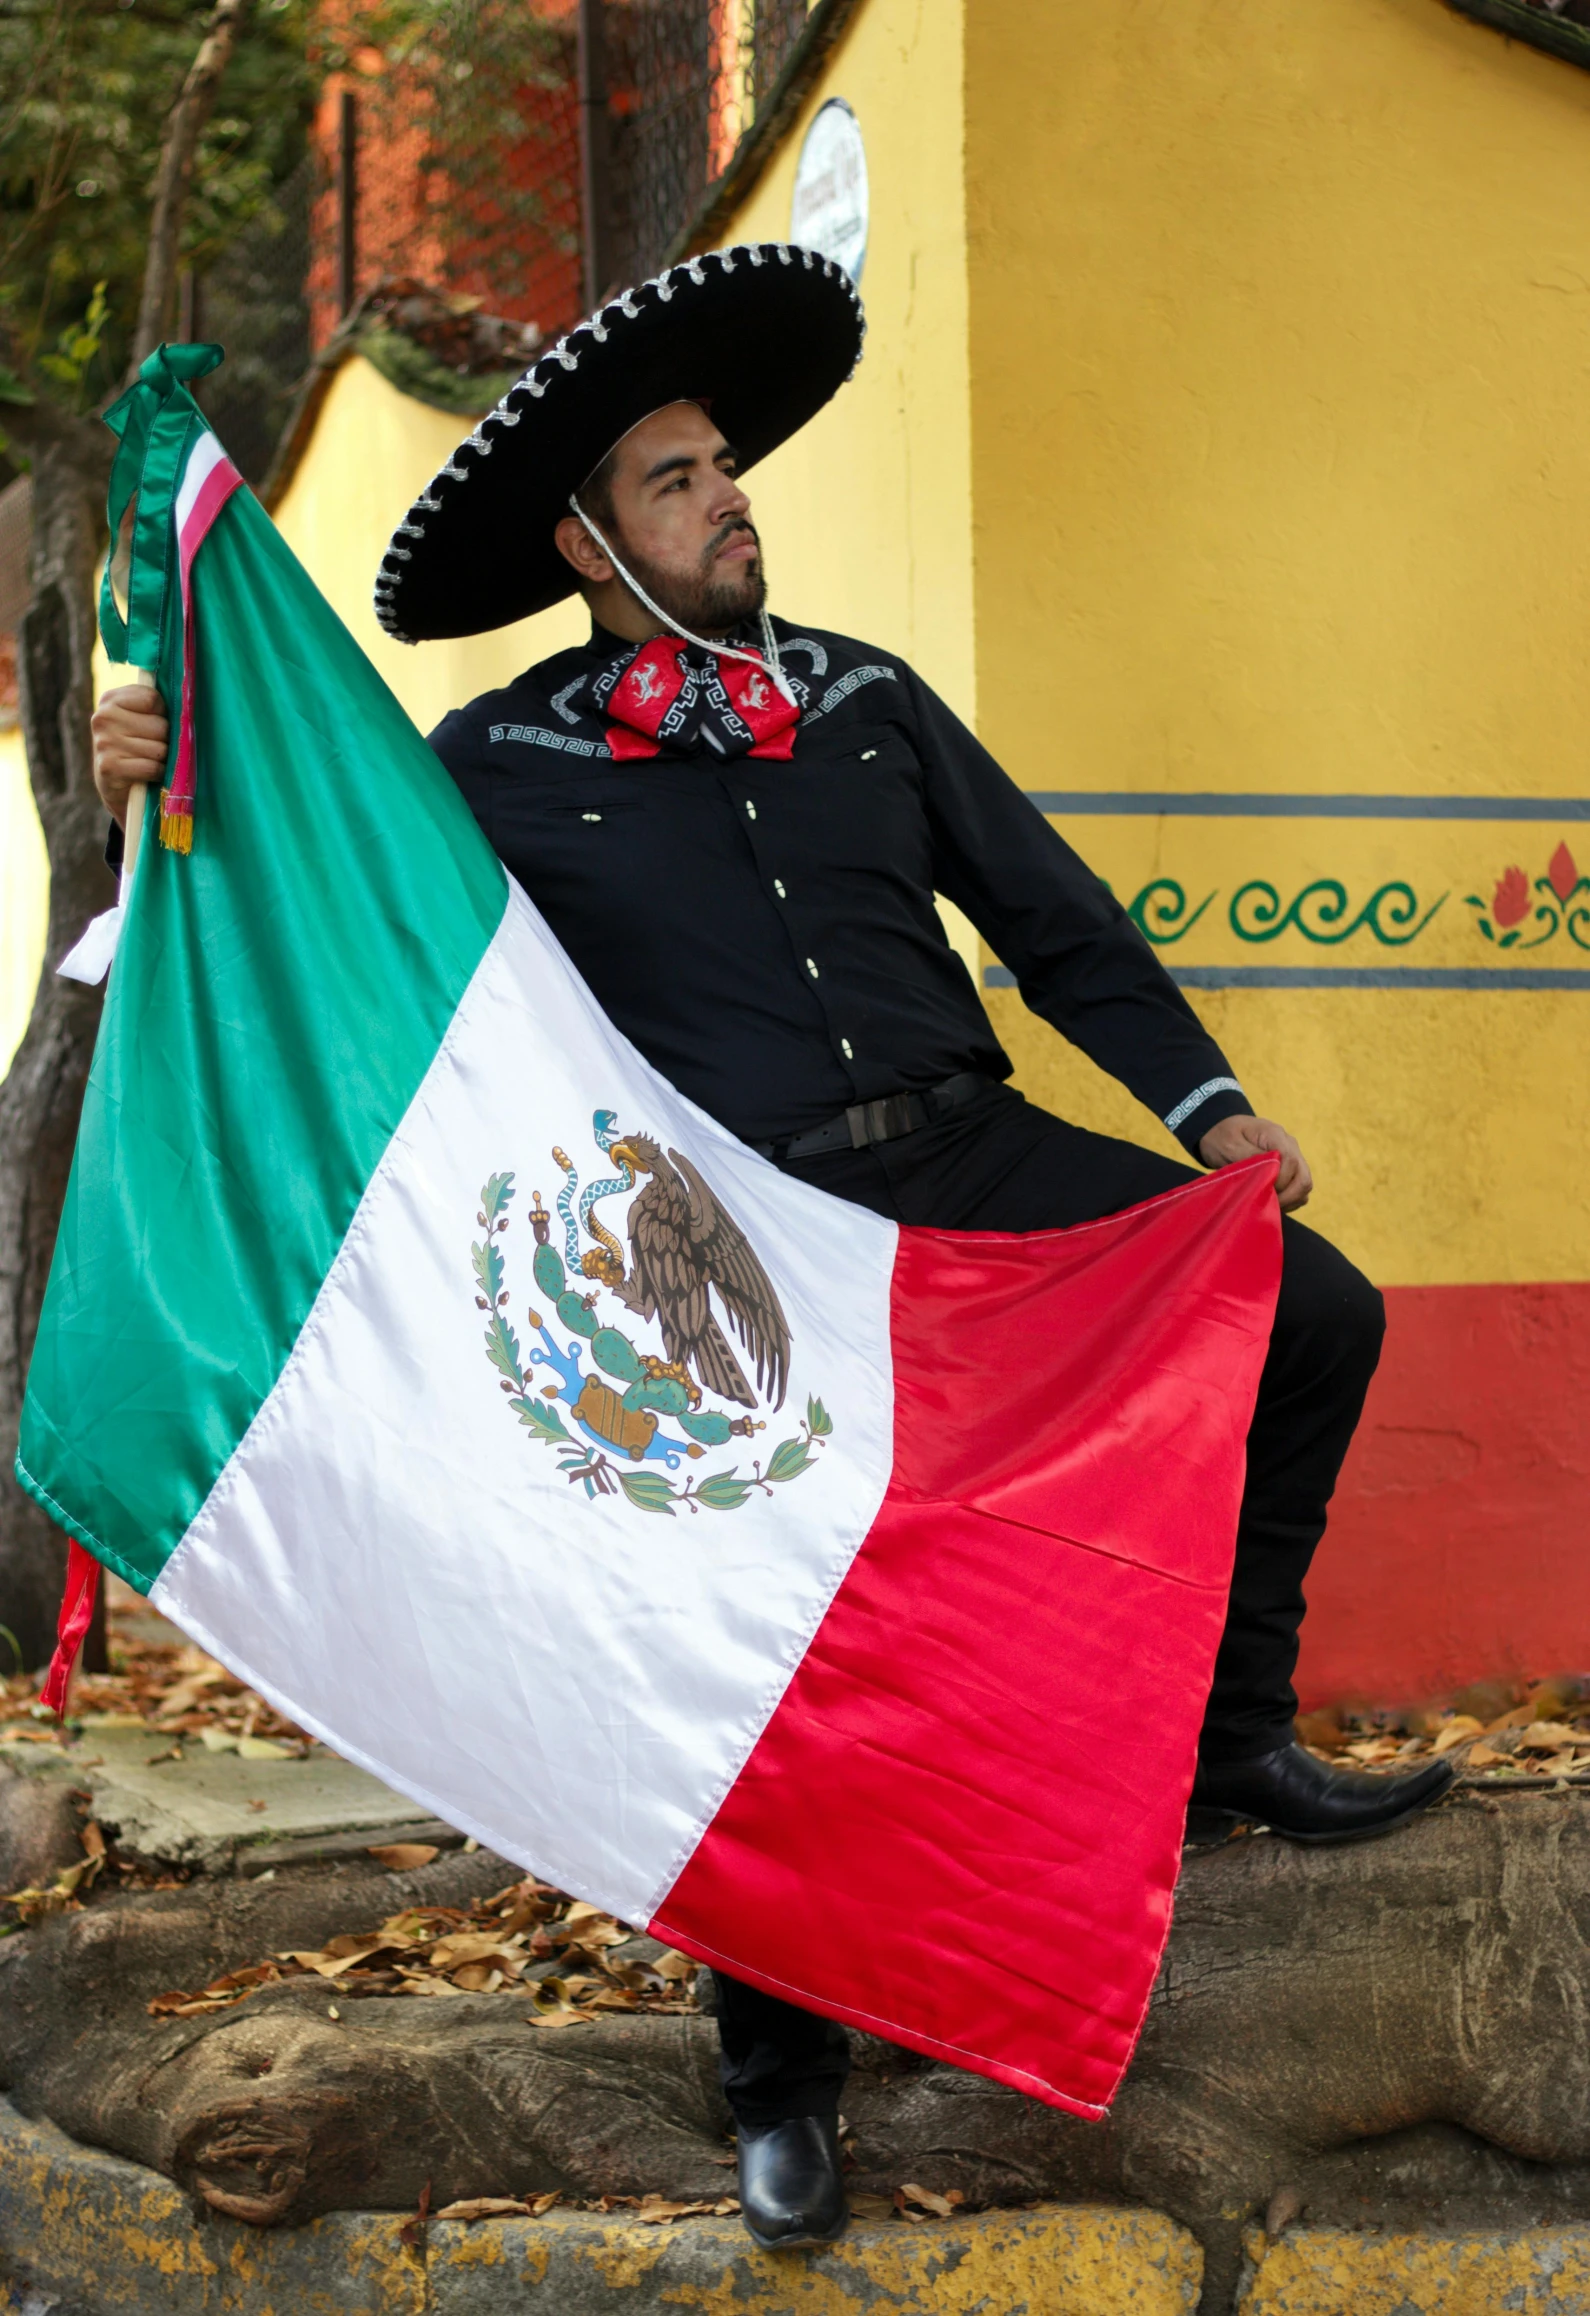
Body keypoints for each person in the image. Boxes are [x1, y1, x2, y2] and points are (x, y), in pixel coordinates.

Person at [92, 243, 1452, 2251]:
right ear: (584, 540)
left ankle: (1232, 1738)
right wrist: (167, 775)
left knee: (1315, 1319)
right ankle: (780, 2084)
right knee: (768, 1638)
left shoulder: (869, 702)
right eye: (676, 478)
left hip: (981, 1162)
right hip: (744, 1250)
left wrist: (1207, 1113)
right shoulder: (497, 770)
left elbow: (1058, 924)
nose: (731, 500)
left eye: (726, 465)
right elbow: (321, 912)